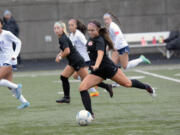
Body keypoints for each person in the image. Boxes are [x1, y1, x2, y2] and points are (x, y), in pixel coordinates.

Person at [78, 20, 156, 117]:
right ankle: (90, 114)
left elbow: (100, 55)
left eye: (92, 30)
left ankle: (147, 87)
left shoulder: (100, 40)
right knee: (82, 88)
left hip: (108, 68)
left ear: (98, 29)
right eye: (89, 30)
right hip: (98, 71)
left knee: (127, 83)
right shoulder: (90, 39)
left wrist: (96, 65)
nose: (90, 32)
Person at [54, 21, 113, 104]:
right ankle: (66, 98)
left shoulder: (63, 38)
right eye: (55, 28)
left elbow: (67, 51)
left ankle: (107, 86)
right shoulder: (63, 37)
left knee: (88, 79)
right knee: (63, 77)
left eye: (58, 28)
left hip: (77, 61)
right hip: (72, 62)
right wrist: (59, 54)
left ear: (63, 29)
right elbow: (65, 48)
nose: (56, 30)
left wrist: (60, 57)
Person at [103, 12, 151, 87]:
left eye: (107, 19)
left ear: (111, 19)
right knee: (112, 65)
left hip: (122, 47)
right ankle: (117, 82)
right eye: (104, 20)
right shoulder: (108, 27)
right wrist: (107, 48)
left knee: (125, 66)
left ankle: (141, 59)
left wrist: (114, 46)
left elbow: (119, 35)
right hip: (117, 48)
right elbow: (112, 38)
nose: (106, 21)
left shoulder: (113, 26)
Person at [0, 19, 30, 109]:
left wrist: (15, 55)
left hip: (9, 60)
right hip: (2, 62)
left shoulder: (6, 33)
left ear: (1, 24)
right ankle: (25, 102)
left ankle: (17, 87)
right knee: (9, 85)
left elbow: (18, 42)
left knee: (9, 84)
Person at [68, 19, 100, 97]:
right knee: (76, 76)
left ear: (76, 26)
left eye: (72, 25)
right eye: (69, 25)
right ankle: (93, 84)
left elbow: (86, 43)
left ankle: (93, 90)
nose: (70, 27)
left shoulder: (79, 34)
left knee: (79, 76)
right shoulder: (72, 35)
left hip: (84, 59)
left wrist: (93, 51)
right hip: (79, 58)